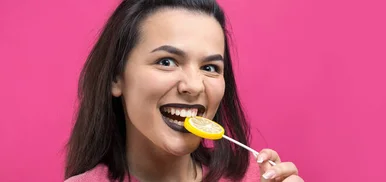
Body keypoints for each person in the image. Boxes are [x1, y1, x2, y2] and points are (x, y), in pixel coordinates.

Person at [64, 0, 303, 181]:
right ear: (117, 77)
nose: (194, 86)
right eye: (167, 62)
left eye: (210, 67)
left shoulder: (254, 177)